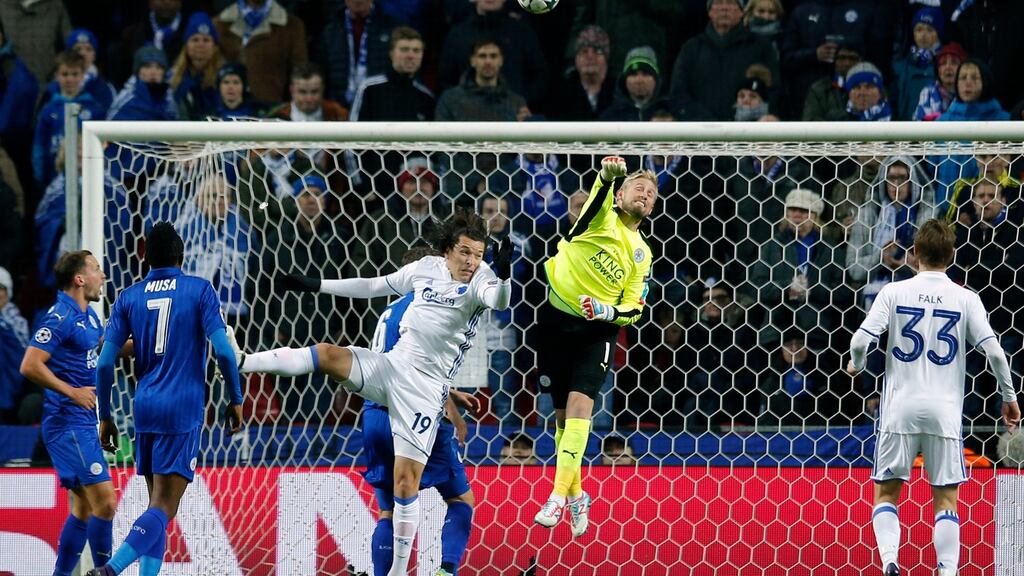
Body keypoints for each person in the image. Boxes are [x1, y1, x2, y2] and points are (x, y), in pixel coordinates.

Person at [234, 210, 513, 576]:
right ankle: (243, 360)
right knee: (328, 354)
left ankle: (396, 571)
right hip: (391, 366)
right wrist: (314, 284)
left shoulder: (483, 278)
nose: (471, 262)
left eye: (477, 254)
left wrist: (503, 275)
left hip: (425, 390)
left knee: (404, 484)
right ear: (447, 249)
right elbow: (370, 286)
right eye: (465, 252)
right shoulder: (425, 268)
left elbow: (498, 300)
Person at [846, 219, 1020, 576]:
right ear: (951, 255)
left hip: (899, 409)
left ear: (914, 254)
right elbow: (995, 353)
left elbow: (860, 341)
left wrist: (857, 364)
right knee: (946, 500)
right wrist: (1009, 396)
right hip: (944, 411)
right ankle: (947, 569)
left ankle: (890, 560)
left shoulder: (893, 292)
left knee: (886, 494)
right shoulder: (965, 298)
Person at [87, 223, 244, 576]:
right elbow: (224, 351)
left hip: (145, 406)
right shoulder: (200, 290)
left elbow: (105, 362)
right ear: (182, 256)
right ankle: (111, 569)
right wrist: (235, 398)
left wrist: (105, 416)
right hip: (182, 407)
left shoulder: (128, 296)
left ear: (145, 257)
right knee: (164, 507)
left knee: (156, 505)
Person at [533, 156, 656, 538]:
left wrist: (607, 311)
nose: (646, 195)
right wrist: (606, 176)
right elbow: (597, 198)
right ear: (620, 196)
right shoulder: (598, 219)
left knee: (579, 410)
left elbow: (635, 306)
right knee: (561, 422)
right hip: (556, 322)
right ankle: (577, 494)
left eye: (652, 194)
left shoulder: (643, 253)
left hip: (598, 331)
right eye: (639, 188)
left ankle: (556, 497)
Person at [362, 245, 478, 576]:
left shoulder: (390, 310)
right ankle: (446, 570)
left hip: (374, 415)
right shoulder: (427, 308)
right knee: (460, 500)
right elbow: (421, 374)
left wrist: (451, 392)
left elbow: (395, 363)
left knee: (388, 512)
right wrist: (453, 413)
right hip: (415, 415)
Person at [19, 251, 117, 574]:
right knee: (106, 502)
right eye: (97, 270)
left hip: (82, 422)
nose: (102, 275)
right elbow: (30, 364)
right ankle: (104, 572)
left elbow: (104, 345)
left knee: (84, 508)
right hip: (67, 424)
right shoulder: (60, 317)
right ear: (80, 278)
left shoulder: (88, 316)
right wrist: (72, 391)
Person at [669, 0, 779, 121]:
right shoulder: (691, 48)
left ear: (741, 12)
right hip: (700, 129)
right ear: (709, 11)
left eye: (731, 3)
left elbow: (774, 90)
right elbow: (678, 94)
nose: (724, 8)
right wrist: (705, 120)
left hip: (747, 129)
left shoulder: (761, 47)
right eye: (718, 2)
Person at [32, 50, 104, 189]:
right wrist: (39, 175)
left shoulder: (95, 109)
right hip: (54, 179)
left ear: (83, 76)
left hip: (87, 180)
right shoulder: (48, 109)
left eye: (75, 74)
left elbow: (103, 146)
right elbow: (39, 145)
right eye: (65, 74)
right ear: (56, 76)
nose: (70, 79)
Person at [214, 0, 308, 103]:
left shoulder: (292, 26)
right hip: (224, 109)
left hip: (272, 108)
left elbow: (300, 77)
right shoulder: (218, 25)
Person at [317, 0, 398, 107]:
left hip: (380, 104)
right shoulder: (329, 29)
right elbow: (321, 71)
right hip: (338, 106)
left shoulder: (392, 28)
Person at [350, 26, 434, 122]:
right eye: (404, 49)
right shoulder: (369, 89)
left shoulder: (426, 98)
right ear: (391, 53)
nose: (411, 56)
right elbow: (353, 128)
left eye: (416, 51)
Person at [435, 39, 528, 122]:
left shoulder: (516, 103)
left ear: (501, 61)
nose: (488, 61)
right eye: (482, 56)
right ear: (472, 61)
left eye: (493, 56)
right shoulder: (450, 100)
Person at [546, 25, 614, 121]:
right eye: (584, 51)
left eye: (597, 51)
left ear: (606, 58)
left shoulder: (618, 92)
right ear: (576, 59)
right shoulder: (560, 95)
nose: (590, 57)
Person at [168, 12, 225, 120]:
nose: (200, 44)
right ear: (186, 45)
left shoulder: (225, 77)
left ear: (214, 47)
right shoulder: (171, 79)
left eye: (206, 40)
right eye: (195, 40)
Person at [913, 42, 966, 121]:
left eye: (954, 63)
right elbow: (918, 123)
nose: (948, 67)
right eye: (943, 63)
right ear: (938, 70)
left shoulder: (969, 92)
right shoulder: (928, 92)